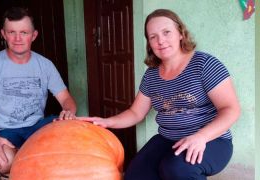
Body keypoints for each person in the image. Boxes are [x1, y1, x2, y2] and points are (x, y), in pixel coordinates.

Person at [82, 9, 240, 179]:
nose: (160, 41)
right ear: (149, 43)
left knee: (176, 169)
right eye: (153, 36)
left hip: (211, 139)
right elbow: (136, 113)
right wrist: (107, 122)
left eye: (166, 32)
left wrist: (201, 136)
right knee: (135, 175)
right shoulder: (151, 75)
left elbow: (231, 109)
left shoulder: (205, 64)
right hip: (167, 138)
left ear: (180, 33)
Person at [0, 7, 77, 176]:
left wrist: (69, 112)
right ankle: (28, 157)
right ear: (3, 34)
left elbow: (66, 99)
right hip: (5, 131)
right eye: (12, 32)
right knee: (4, 163)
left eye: (24, 32)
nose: (18, 38)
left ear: (33, 35)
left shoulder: (45, 65)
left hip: (37, 127)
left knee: (73, 135)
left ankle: (29, 155)